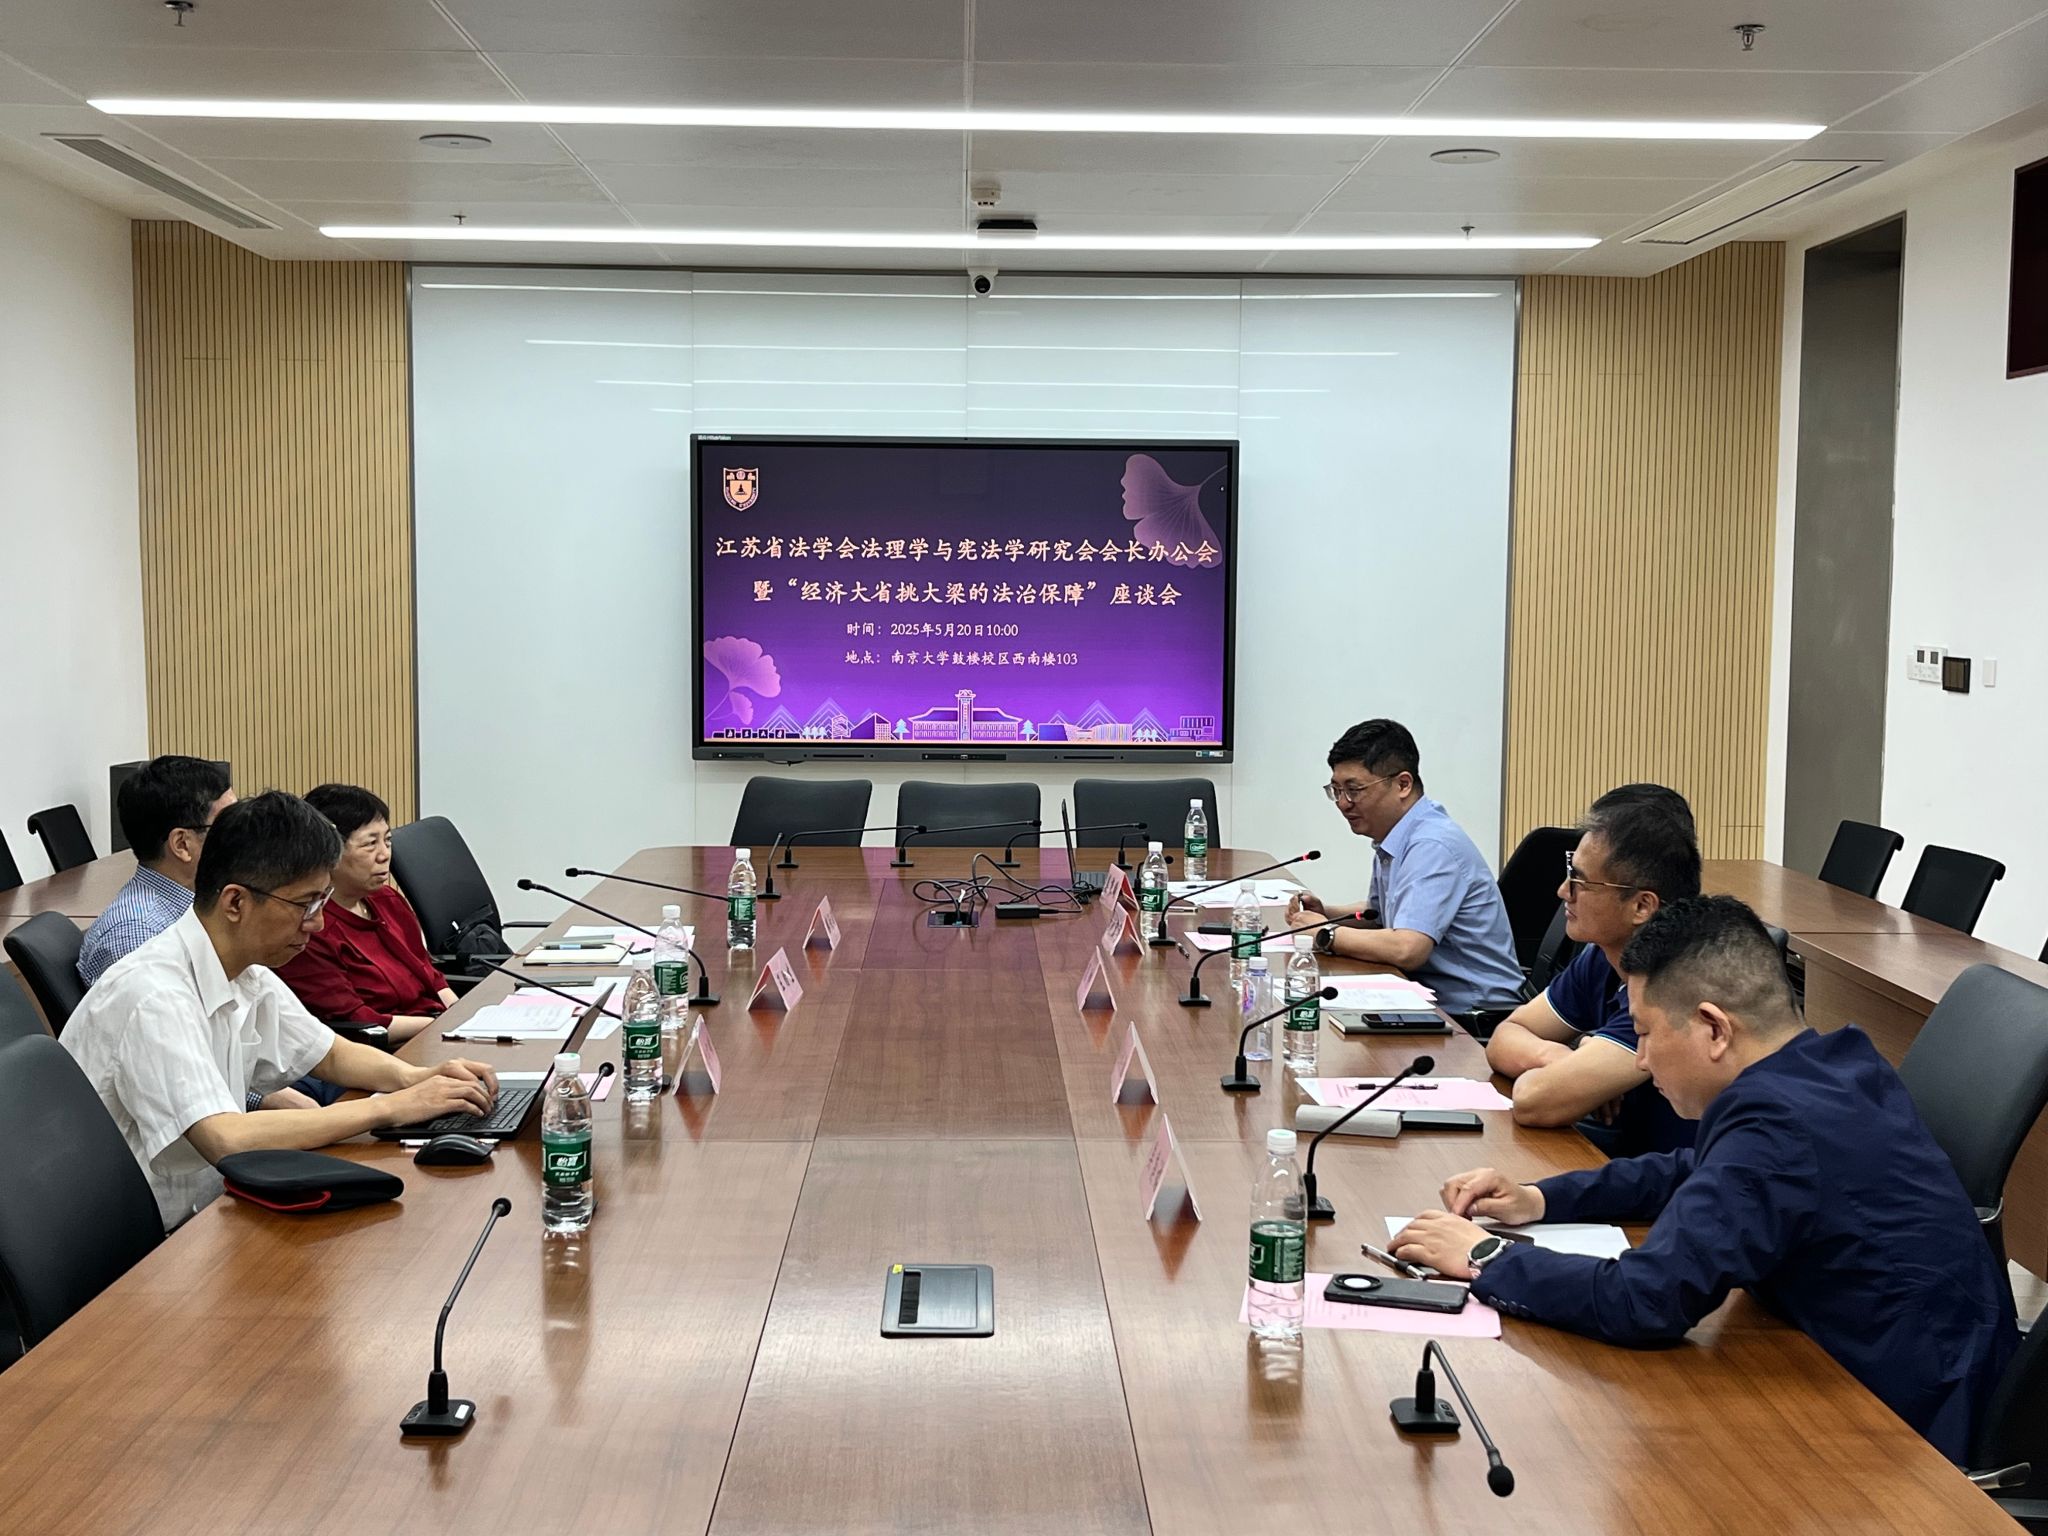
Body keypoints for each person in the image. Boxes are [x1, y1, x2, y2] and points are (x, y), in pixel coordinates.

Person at [1391, 895, 2018, 1464]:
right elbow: (1690, 1169)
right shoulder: (1832, 1062)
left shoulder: (1776, 1127)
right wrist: (1538, 1199)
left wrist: (1485, 1256)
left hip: (1905, 1432)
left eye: (1643, 1033)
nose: (1639, 1059)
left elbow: (1644, 1301)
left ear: (1714, 1029)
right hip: (1901, 1364)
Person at [61, 791, 502, 1230]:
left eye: (322, 902)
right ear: (236, 902)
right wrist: (390, 1108)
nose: (318, 922)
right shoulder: (154, 994)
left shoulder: (245, 968)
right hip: (139, 1239)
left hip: (210, 1207)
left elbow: (329, 1053)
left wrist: (418, 1078)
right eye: (305, 904)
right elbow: (225, 1138)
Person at [1483, 783, 1701, 1154]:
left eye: (1580, 881)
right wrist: (1562, 1058)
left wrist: (1571, 1070)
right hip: (1627, 1163)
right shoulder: (1604, 955)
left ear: (1642, 906)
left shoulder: (1670, 983)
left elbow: (1535, 1101)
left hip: (1671, 1179)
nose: (1562, 891)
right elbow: (1507, 1034)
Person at [1289, 719, 1523, 1015]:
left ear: (1403, 784)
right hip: (1427, 999)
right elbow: (1381, 915)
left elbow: (1408, 948)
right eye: (1336, 790)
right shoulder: (1398, 834)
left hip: (1473, 1015)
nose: (1343, 803)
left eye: (1354, 790)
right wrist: (1328, 912)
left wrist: (1327, 933)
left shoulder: (1432, 844)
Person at [275, 784, 455, 1046]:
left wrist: (462, 1018)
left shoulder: (387, 899)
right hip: (388, 1048)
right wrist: (445, 1026)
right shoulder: (310, 929)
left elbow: (431, 975)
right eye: (371, 844)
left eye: (388, 841)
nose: (385, 855)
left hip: (436, 1031)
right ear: (330, 852)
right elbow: (358, 1022)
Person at [77, 755, 236, 988]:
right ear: (182, 845)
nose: (243, 836)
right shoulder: (138, 935)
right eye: (229, 826)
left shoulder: (197, 906)